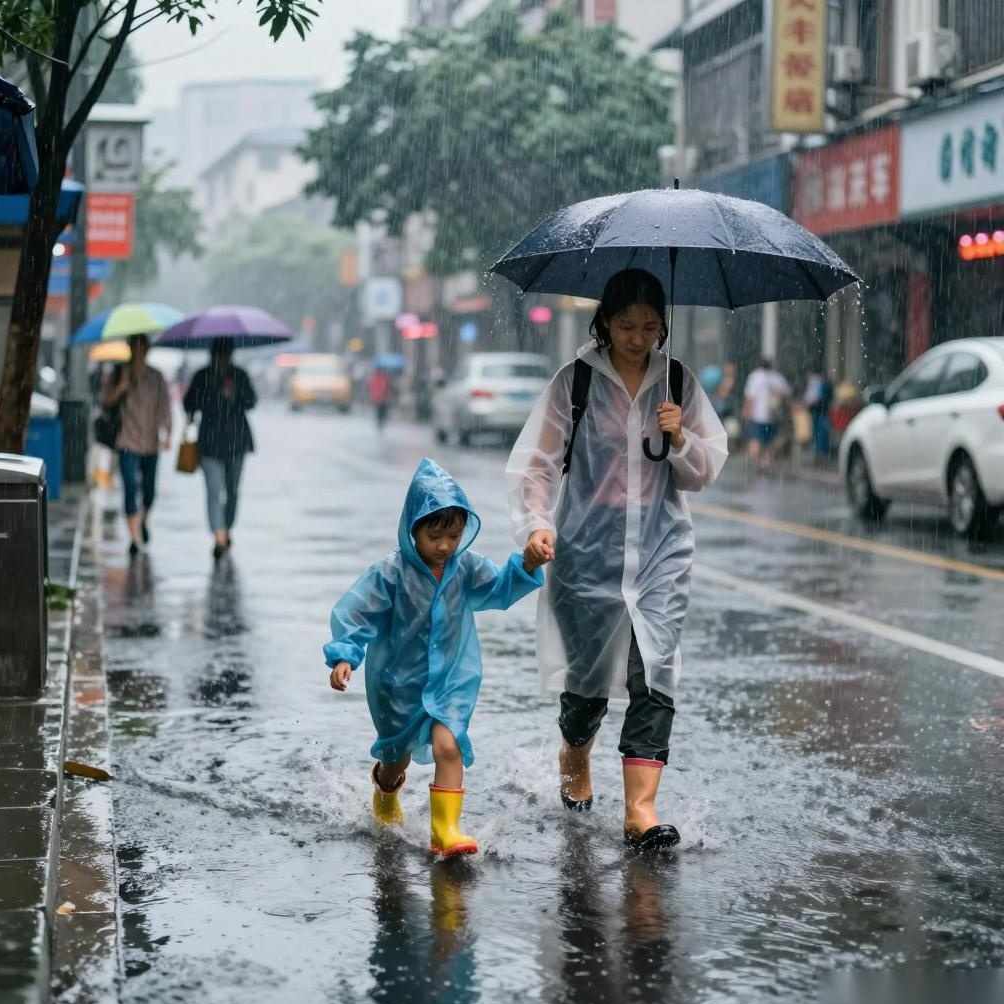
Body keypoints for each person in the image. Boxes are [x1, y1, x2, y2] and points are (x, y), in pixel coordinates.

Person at [506, 268, 728, 853]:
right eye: (627, 325)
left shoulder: (677, 382)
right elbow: (537, 466)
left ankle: (640, 811)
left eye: (651, 326)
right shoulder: (573, 383)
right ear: (604, 321)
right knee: (586, 689)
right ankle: (575, 750)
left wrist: (681, 438)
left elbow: (705, 471)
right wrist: (537, 527)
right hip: (585, 556)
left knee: (654, 674)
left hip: (661, 555)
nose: (639, 337)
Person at [324, 458, 548, 858]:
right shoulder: (389, 574)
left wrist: (528, 563)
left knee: (450, 746)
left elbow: (499, 588)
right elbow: (357, 613)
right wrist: (345, 656)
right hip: (397, 683)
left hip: (451, 680)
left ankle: (445, 830)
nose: (445, 546)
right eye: (434, 536)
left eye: (454, 536)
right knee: (396, 759)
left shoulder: (465, 569)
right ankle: (386, 788)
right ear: (413, 530)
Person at [183, 338, 257, 560]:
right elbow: (188, 404)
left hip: (236, 442)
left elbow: (252, 401)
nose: (222, 359)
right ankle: (219, 536)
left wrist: (234, 394)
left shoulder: (239, 376)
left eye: (225, 354)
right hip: (210, 443)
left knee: (232, 490)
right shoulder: (202, 376)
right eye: (219, 354)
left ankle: (226, 527)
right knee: (214, 491)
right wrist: (210, 395)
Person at [101, 334, 172, 557]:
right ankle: (134, 537)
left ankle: (144, 519)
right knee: (130, 487)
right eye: (136, 347)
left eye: (143, 347)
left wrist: (167, 432)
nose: (139, 351)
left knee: (149, 491)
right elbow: (105, 403)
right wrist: (121, 387)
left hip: (151, 442)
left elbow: (165, 406)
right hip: (127, 441)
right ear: (130, 349)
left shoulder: (156, 376)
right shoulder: (119, 373)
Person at [742, 357, 790, 469]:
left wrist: (746, 412)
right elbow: (786, 393)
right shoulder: (777, 377)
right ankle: (766, 460)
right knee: (770, 440)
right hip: (773, 415)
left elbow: (750, 397)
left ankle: (758, 462)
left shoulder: (755, 377)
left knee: (755, 439)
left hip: (757, 415)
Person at [803, 370, 834, 460]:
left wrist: (811, 403)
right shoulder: (823, 384)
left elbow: (819, 399)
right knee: (820, 433)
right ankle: (821, 452)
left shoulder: (821, 385)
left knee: (820, 433)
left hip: (819, 411)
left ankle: (821, 453)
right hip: (821, 412)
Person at [368, 366, 393, 430]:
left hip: (382, 398)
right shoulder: (377, 378)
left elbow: (387, 388)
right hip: (379, 398)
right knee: (379, 411)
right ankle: (380, 422)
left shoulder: (384, 378)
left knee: (382, 410)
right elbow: (372, 387)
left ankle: (381, 421)